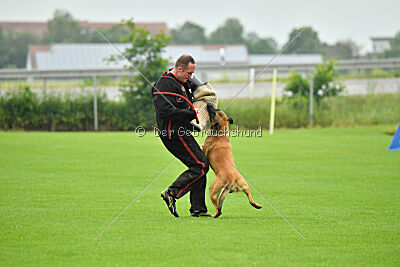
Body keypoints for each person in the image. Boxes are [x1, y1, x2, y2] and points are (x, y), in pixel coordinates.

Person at [152, 55, 211, 217]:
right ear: (179, 69)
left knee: (200, 164)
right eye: (189, 73)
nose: (191, 77)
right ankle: (171, 193)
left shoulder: (183, 82)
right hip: (172, 134)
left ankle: (198, 209)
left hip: (182, 132)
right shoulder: (163, 85)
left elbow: (197, 93)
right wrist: (190, 113)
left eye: (192, 73)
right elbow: (166, 112)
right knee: (200, 166)